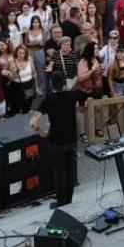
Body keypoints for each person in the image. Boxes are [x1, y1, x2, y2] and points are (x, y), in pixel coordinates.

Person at [28, 74, 79, 207]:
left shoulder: (48, 100)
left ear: (51, 85)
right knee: (70, 170)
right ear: (64, 84)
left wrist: (42, 132)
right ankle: (69, 199)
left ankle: (61, 202)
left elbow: (33, 122)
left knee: (59, 172)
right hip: (72, 139)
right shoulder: (72, 96)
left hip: (56, 141)